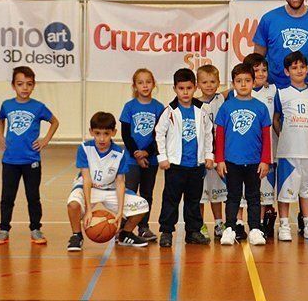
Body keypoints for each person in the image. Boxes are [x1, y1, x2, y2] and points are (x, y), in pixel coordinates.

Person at [0, 66, 59, 246]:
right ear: (13, 85)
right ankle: (4, 229)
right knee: (7, 197)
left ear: (33, 85)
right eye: (20, 84)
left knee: (33, 197)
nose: (24, 88)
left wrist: (45, 140)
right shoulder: (7, 105)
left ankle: (36, 229)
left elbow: (54, 122)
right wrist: (0, 135)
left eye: (29, 84)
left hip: (31, 160)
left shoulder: (38, 107)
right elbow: (0, 119)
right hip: (10, 160)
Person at [66, 112, 150, 252]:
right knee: (73, 205)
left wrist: (120, 212)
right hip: (89, 188)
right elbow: (86, 179)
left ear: (114, 132)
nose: (102, 138)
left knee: (142, 205)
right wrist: (88, 210)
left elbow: (120, 183)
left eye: (106, 133)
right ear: (91, 132)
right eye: (97, 133)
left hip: (110, 189)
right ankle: (77, 235)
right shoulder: (85, 149)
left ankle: (125, 234)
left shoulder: (120, 153)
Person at [214, 63, 272, 246]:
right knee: (233, 196)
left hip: (254, 161)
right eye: (239, 81)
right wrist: (219, 159)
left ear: (254, 82)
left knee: (254, 196)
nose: (243, 84)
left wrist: (265, 160)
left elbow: (266, 137)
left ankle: (255, 229)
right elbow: (220, 135)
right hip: (232, 161)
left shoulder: (261, 107)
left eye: (247, 80)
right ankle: (230, 228)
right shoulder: (226, 107)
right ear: (233, 83)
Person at [155, 68, 213, 247]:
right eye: (181, 88)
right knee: (171, 199)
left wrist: (209, 155)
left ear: (195, 87)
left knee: (194, 200)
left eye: (189, 88)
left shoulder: (202, 109)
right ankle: (166, 231)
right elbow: (159, 133)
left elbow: (209, 133)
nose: (185, 92)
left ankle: (193, 231)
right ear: (175, 89)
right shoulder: (170, 111)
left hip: (196, 165)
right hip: (175, 165)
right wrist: (162, 157)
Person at [274, 51, 308, 241]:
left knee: (307, 189)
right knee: (286, 190)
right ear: (287, 71)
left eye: (302, 67)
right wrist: (284, 135)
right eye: (294, 67)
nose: (299, 70)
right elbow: (276, 119)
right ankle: (284, 225)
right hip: (288, 150)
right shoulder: (282, 93)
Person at [120, 68, 164, 242]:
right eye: (140, 82)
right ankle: (124, 227)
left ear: (153, 84)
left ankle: (143, 227)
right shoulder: (129, 107)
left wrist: (147, 152)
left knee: (147, 193)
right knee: (130, 193)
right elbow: (125, 134)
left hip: (151, 160)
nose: (145, 85)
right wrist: (136, 154)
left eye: (148, 82)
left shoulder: (159, 107)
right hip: (131, 160)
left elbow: (159, 135)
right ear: (134, 86)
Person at [242, 52, 279, 239]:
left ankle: (263, 222)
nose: (262, 73)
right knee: (243, 190)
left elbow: (276, 118)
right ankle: (240, 223)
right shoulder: (238, 92)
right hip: (245, 151)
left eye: (264, 70)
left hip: (267, 150)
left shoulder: (272, 90)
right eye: (257, 70)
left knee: (265, 190)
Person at [197, 64, 228, 239]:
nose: (209, 85)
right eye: (205, 82)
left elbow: (241, 84)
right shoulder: (194, 104)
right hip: (201, 156)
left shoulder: (223, 99)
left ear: (218, 82)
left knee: (217, 193)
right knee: (200, 195)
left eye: (213, 81)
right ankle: (200, 224)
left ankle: (218, 223)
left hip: (218, 155)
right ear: (198, 84)